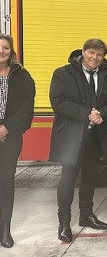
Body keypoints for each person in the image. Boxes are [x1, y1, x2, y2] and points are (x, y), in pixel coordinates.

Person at [49, 39, 107, 242]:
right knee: (68, 178)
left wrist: (102, 114)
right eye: (91, 53)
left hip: (94, 136)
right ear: (83, 52)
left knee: (90, 176)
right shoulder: (63, 73)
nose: (95, 57)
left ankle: (86, 215)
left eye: (99, 54)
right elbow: (58, 101)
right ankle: (63, 222)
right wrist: (87, 114)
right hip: (72, 136)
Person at [0, 34, 35, 248]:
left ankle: (5, 230)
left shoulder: (22, 76)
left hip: (10, 135)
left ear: (10, 51)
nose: (1, 51)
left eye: (5, 47)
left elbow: (26, 108)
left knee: (5, 181)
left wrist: (7, 127)